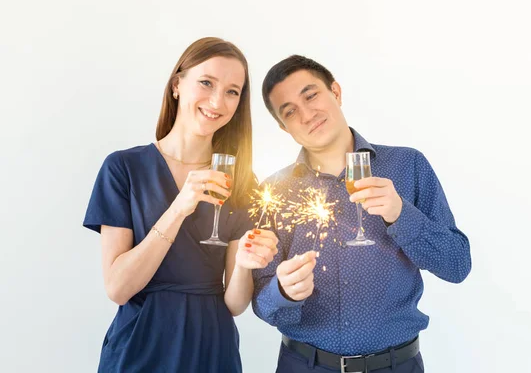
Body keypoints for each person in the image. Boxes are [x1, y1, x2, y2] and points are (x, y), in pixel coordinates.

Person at [252, 55, 472, 373]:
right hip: (304, 366)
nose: (307, 114)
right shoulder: (274, 192)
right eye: (290, 112)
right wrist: (282, 291)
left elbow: (457, 265)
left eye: (311, 95)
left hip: (397, 366)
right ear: (285, 128)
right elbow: (262, 301)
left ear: (336, 92)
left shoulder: (408, 165)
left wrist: (401, 215)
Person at [83, 37, 278, 373]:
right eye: (206, 83)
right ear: (177, 84)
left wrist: (246, 263)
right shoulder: (123, 169)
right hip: (139, 348)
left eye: (233, 91)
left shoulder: (244, 182)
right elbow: (118, 288)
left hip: (211, 348)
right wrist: (178, 208)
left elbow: (234, 304)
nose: (218, 101)